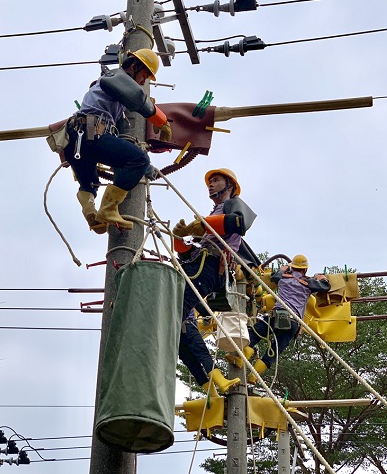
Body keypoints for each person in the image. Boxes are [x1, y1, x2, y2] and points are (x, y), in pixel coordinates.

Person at [63, 49, 172, 233]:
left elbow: (119, 145)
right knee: (139, 159)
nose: (143, 82)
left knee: (89, 183)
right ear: (133, 66)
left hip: (77, 139)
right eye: (144, 76)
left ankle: (91, 211)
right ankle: (108, 209)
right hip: (91, 135)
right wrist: (162, 121)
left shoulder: (106, 88)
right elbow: (138, 98)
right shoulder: (116, 78)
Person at [173, 168, 258, 396]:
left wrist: (201, 226)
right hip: (198, 263)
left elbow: (239, 223)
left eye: (216, 181)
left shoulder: (232, 204)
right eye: (209, 182)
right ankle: (209, 382)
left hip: (211, 266)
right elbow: (187, 254)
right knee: (176, 321)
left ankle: (212, 376)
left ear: (229, 185)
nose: (211, 185)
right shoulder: (214, 213)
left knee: (176, 311)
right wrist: (180, 240)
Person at [242, 254, 330, 384]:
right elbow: (325, 286)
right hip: (293, 322)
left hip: (276, 315)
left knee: (254, 334)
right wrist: (320, 276)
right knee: (273, 351)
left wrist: (284, 268)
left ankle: (240, 357)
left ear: (292, 267)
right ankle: (253, 377)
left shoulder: (283, 278)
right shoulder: (308, 283)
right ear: (305, 270)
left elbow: (274, 276)